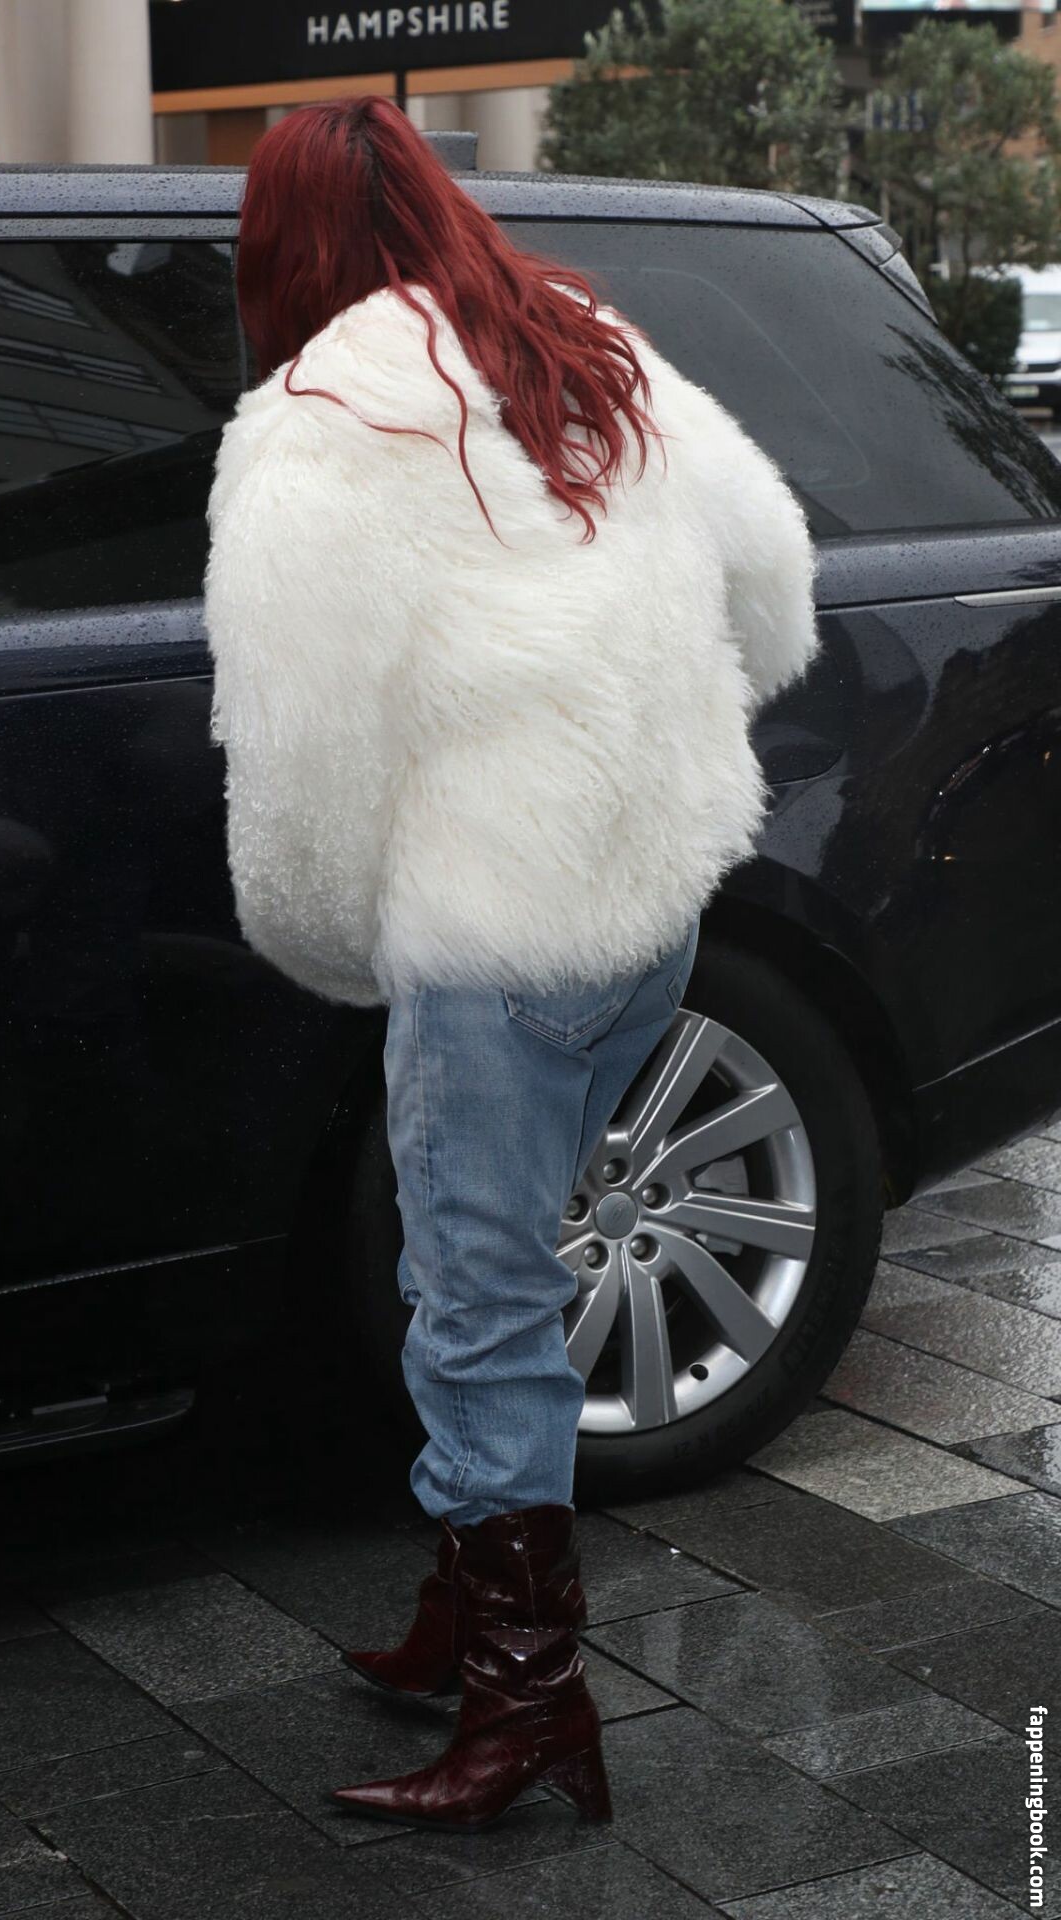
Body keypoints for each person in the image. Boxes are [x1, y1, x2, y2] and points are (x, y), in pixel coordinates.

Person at [203, 95, 820, 1835]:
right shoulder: (577, 347)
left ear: (281, 248)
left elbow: (304, 789)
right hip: (650, 910)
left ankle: (529, 1698)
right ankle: (465, 1594)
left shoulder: (315, 430)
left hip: (495, 937)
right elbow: (776, 598)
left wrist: (343, 951)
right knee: (498, 1268)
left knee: (477, 1311)